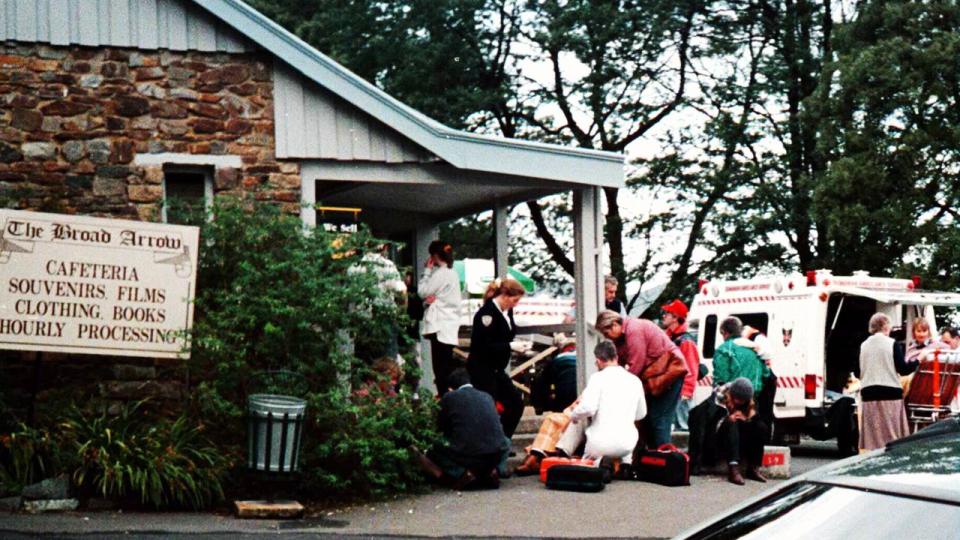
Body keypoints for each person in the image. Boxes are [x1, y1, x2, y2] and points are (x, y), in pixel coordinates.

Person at [515, 340, 646, 476]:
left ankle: (563, 455)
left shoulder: (598, 378)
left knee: (575, 421)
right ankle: (623, 464)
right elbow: (641, 414)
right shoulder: (635, 380)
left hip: (599, 444)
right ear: (617, 357)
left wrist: (574, 416)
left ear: (598, 361)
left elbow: (587, 408)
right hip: (627, 445)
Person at [595, 310, 685, 448]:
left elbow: (637, 363)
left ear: (614, 325)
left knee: (659, 419)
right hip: (656, 376)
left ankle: (663, 460)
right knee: (647, 419)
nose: (608, 338)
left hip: (669, 373)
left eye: (606, 334)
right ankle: (652, 459)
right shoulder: (621, 338)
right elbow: (619, 365)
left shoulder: (634, 329)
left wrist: (616, 388)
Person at [415, 369, 510, 490]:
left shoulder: (449, 397)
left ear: (450, 388)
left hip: (467, 454)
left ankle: (462, 473)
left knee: (434, 446)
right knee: (506, 441)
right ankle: (496, 470)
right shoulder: (487, 396)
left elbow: (440, 426)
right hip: (493, 453)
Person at [467, 277, 529, 438]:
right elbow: (482, 346)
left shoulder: (506, 312)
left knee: (515, 403)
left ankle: (502, 441)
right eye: (514, 300)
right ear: (505, 296)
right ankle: (490, 444)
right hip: (483, 369)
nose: (515, 304)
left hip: (497, 369)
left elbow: (506, 334)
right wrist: (510, 346)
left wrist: (515, 345)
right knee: (487, 409)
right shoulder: (486, 314)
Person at [859, 313, 916, 450]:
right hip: (890, 393)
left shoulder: (863, 345)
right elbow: (903, 370)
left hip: (868, 394)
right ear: (885, 326)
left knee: (874, 436)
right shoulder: (892, 344)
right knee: (892, 434)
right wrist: (917, 362)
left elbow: (857, 371)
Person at [418, 241, 462, 397]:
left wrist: (427, 271)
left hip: (439, 325)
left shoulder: (440, 274)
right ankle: (448, 395)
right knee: (446, 365)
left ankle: (444, 397)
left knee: (439, 367)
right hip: (450, 324)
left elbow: (423, 291)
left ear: (435, 256)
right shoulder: (453, 274)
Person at [716, 378, 769, 485]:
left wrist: (747, 419)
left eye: (742, 400)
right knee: (733, 422)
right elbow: (715, 423)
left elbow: (756, 421)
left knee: (760, 426)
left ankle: (753, 467)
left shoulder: (749, 400)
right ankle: (733, 467)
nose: (739, 402)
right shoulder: (720, 395)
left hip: (738, 438)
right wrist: (729, 418)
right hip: (719, 436)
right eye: (737, 399)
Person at [660, 299, 700, 431]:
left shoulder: (685, 341)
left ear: (675, 318)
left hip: (681, 392)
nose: (663, 315)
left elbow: (691, 369)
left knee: (683, 429)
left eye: (667, 313)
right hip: (672, 390)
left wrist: (686, 392)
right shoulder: (670, 338)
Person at [713, 317, 771, 403]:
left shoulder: (724, 349)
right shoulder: (755, 348)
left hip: (733, 398)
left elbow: (721, 378)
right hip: (754, 396)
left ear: (725, 333)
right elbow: (766, 373)